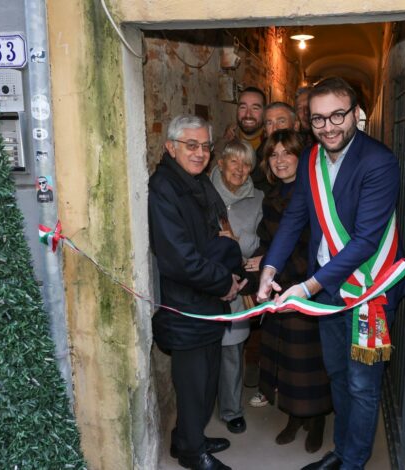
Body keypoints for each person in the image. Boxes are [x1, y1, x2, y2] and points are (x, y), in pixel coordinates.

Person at [257, 78, 404, 470]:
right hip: (326, 290)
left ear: (356, 113)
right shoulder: (310, 158)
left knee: (362, 384)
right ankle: (341, 452)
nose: (328, 127)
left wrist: (306, 287)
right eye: (318, 118)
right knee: (337, 374)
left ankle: (354, 461)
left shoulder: (378, 161)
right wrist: (269, 268)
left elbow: (365, 241)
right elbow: (294, 218)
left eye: (338, 115)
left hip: (369, 290)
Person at [149, 114, 246, 470]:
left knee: (205, 381)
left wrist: (226, 270)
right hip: (186, 305)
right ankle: (192, 453)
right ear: (170, 147)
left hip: (206, 300)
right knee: (193, 385)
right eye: (191, 145)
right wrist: (225, 282)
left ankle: (187, 439)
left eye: (205, 146)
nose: (200, 153)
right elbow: (179, 259)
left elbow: (211, 239)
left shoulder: (195, 183)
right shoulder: (165, 188)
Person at [245, 130, 332, 453]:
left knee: (308, 362)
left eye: (287, 153)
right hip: (278, 285)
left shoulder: (314, 193)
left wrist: (281, 271)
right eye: (273, 154)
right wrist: (263, 261)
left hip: (307, 286)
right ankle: (295, 416)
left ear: (301, 157)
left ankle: (317, 418)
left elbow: (315, 244)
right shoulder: (271, 194)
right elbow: (268, 240)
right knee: (285, 359)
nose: (279, 160)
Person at [209, 140, 264, 435]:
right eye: (234, 161)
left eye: (246, 164)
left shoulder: (259, 199)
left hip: (239, 280)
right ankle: (202, 405)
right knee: (203, 349)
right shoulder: (202, 193)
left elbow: (264, 243)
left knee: (232, 349)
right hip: (204, 280)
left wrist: (241, 247)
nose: (240, 169)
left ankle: (231, 410)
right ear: (221, 163)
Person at [219, 87, 267, 187]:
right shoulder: (223, 146)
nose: (248, 114)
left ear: (265, 112)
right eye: (243, 107)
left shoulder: (273, 147)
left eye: (255, 108)